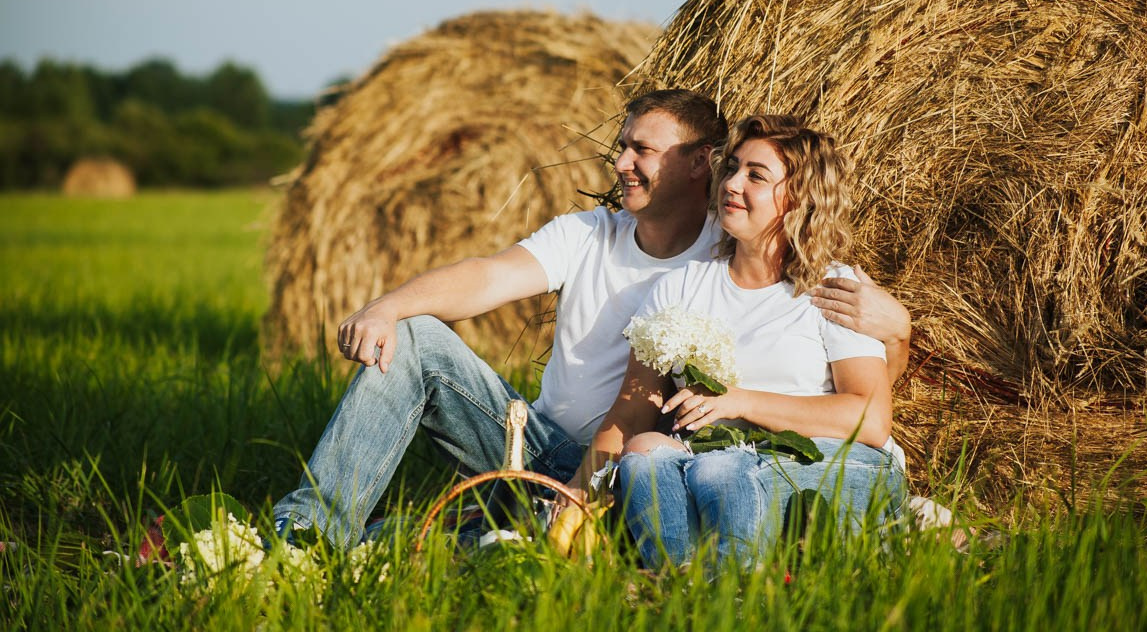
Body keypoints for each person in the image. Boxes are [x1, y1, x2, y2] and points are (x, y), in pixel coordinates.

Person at [273, 91, 911, 549]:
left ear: (700, 163)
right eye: (620, 147)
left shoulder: (768, 258)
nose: (621, 164)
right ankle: (305, 532)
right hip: (547, 444)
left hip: (646, 462)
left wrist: (901, 326)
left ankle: (404, 541)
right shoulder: (601, 241)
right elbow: (489, 276)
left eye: (642, 149)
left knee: (476, 535)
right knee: (416, 336)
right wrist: (390, 304)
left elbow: (867, 404)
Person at [566, 115, 906, 571]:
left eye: (756, 176)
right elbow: (631, 410)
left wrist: (739, 402)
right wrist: (578, 492)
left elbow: (869, 421)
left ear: (799, 199)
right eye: (732, 168)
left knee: (719, 468)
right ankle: (679, 582)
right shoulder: (680, 287)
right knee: (645, 452)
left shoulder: (832, 289)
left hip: (838, 463)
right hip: (712, 460)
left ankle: (728, 588)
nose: (732, 183)